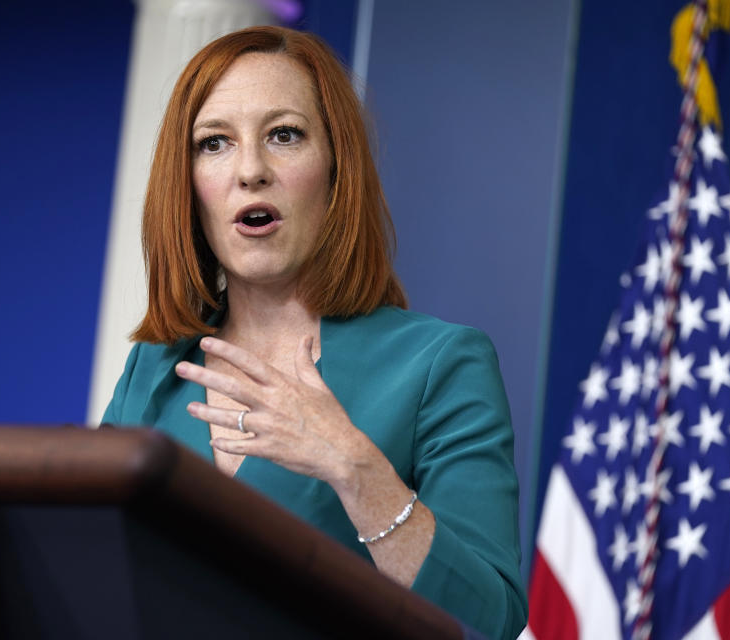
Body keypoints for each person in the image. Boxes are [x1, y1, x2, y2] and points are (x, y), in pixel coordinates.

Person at [103, 25, 527, 640]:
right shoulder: (154, 367)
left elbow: (487, 621)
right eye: (214, 143)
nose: (250, 170)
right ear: (188, 186)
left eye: (284, 135)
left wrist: (354, 466)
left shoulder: (440, 363)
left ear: (336, 170)